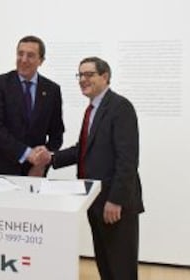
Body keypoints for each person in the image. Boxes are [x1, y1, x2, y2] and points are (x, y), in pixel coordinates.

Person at [50, 57, 144, 280]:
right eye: (80, 75)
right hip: (95, 201)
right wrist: (50, 158)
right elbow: (83, 149)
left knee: (121, 269)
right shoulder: (92, 109)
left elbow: (127, 160)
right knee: (106, 265)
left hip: (114, 204)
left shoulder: (120, 107)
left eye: (89, 74)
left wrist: (116, 200)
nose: (83, 79)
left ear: (105, 76)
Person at [0, 35, 64, 177]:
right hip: (0, 169)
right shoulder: (0, 84)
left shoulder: (52, 90)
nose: (24, 59)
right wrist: (26, 153)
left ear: (41, 61)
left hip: (35, 171)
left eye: (30, 55)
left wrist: (41, 163)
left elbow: (57, 134)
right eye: (20, 54)